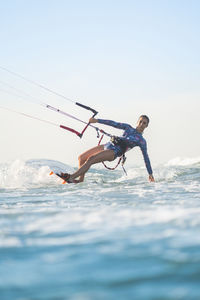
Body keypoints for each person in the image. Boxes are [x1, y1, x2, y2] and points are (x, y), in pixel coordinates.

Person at [57, 115, 155, 183]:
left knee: (90, 159)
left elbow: (146, 158)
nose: (141, 124)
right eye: (140, 121)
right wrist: (97, 120)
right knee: (81, 158)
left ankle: (71, 177)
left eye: (144, 123)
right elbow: (114, 123)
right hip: (108, 145)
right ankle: (80, 181)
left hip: (114, 152)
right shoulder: (128, 127)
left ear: (146, 126)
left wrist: (150, 174)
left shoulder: (141, 141)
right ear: (137, 121)